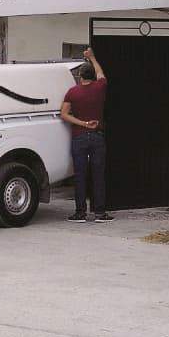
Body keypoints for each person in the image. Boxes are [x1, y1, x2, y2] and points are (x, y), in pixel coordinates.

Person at [59, 47, 113, 222]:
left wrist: (82, 123)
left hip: (79, 137)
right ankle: (99, 213)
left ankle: (80, 213)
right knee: (98, 175)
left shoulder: (72, 92)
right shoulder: (100, 88)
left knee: (80, 175)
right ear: (92, 76)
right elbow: (101, 73)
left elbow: (64, 114)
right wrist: (92, 57)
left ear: (80, 76)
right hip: (97, 136)